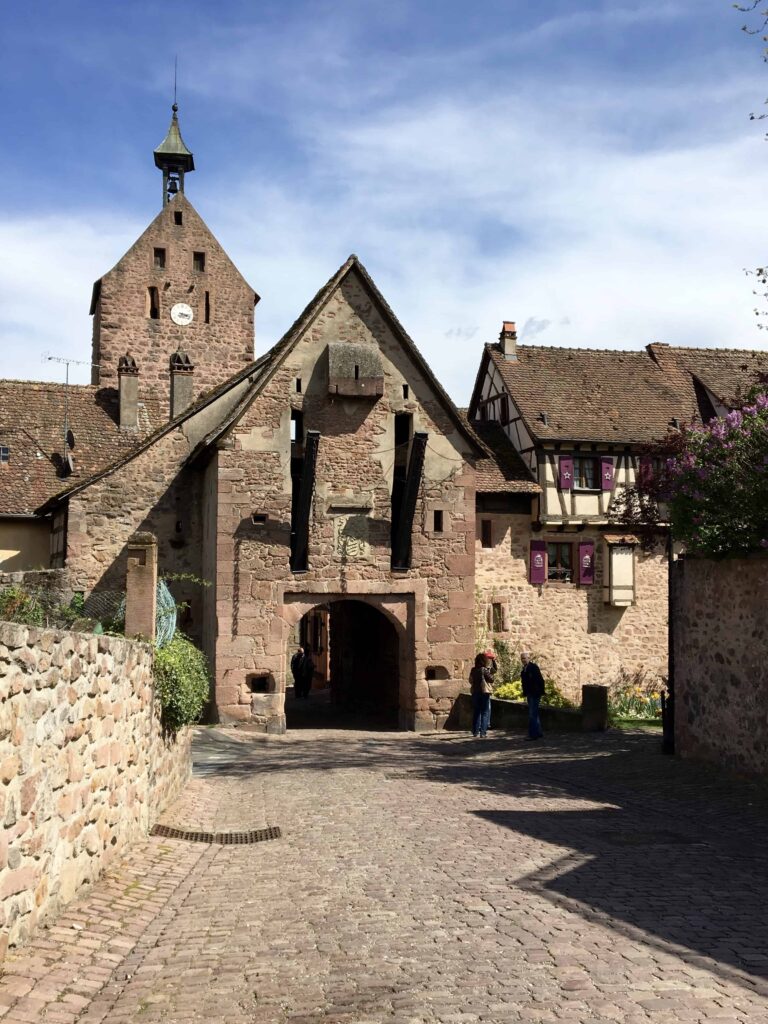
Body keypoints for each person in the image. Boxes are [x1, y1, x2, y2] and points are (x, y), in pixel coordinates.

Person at [469, 652, 496, 738]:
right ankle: (483, 733)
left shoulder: (473, 670)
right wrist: (490, 674)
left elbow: (470, 680)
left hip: (475, 693)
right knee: (485, 712)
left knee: (476, 712)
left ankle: (475, 732)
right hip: (484, 692)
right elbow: (491, 680)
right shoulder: (484, 669)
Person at [520, 651, 545, 740]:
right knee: (534, 713)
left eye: (524, 658)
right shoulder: (524, 669)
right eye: (522, 658)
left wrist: (538, 691)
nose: (523, 660)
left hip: (534, 693)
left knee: (532, 714)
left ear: (528, 658)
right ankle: (538, 732)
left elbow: (539, 680)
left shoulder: (533, 668)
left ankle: (533, 735)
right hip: (530, 693)